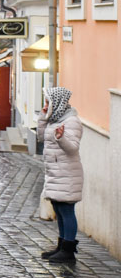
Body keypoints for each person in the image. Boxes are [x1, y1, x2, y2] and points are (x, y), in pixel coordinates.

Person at [38, 87, 84, 263]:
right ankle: (61, 246)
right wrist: (43, 117)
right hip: (56, 172)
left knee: (66, 210)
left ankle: (68, 250)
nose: (46, 105)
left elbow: (73, 147)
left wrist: (61, 137)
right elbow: (42, 137)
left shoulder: (72, 121)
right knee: (58, 208)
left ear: (58, 102)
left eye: (48, 101)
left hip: (67, 173)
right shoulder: (54, 118)